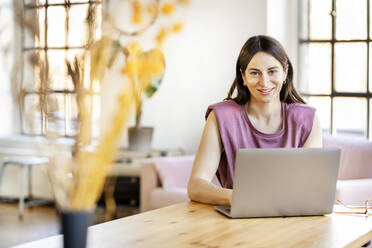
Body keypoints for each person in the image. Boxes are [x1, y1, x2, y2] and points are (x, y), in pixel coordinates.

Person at [187, 35, 322, 206]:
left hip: (293, 218)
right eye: (254, 73)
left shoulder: (307, 120)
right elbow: (196, 186)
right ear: (243, 76)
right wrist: (239, 197)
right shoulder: (221, 117)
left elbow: (313, 187)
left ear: (285, 72)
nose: (264, 82)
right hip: (238, 218)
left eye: (272, 71)